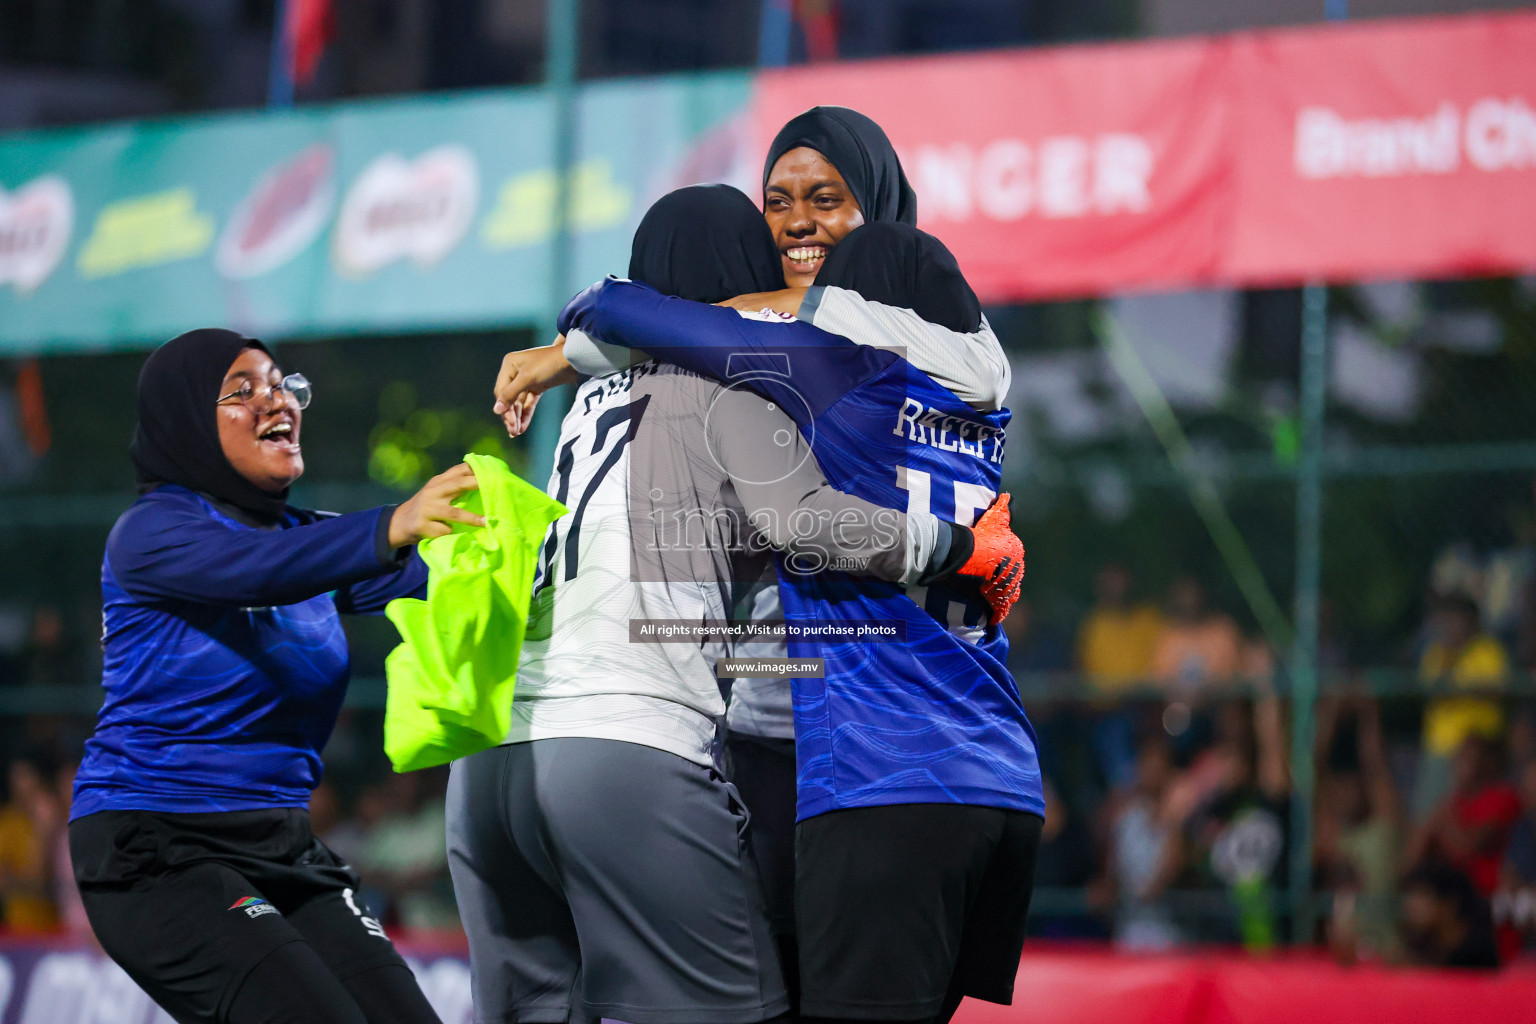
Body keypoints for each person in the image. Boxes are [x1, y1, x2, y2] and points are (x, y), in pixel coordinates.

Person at [451, 186, 1021, 1024]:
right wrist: (963, 547)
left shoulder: (582, 411)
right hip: (622, 747)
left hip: (492, 761)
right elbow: (807, 520)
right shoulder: (740, 392)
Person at [68, 328, 478, 1024]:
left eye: (283, 385)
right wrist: (390, 526)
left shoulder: (300, 536)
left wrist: (543, 554)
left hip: (283, 845)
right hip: (158, 849)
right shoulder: (151, 533)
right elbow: (267, 570)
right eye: (242, 391)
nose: (276, 401)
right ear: (189, 422)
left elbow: (441, 577)